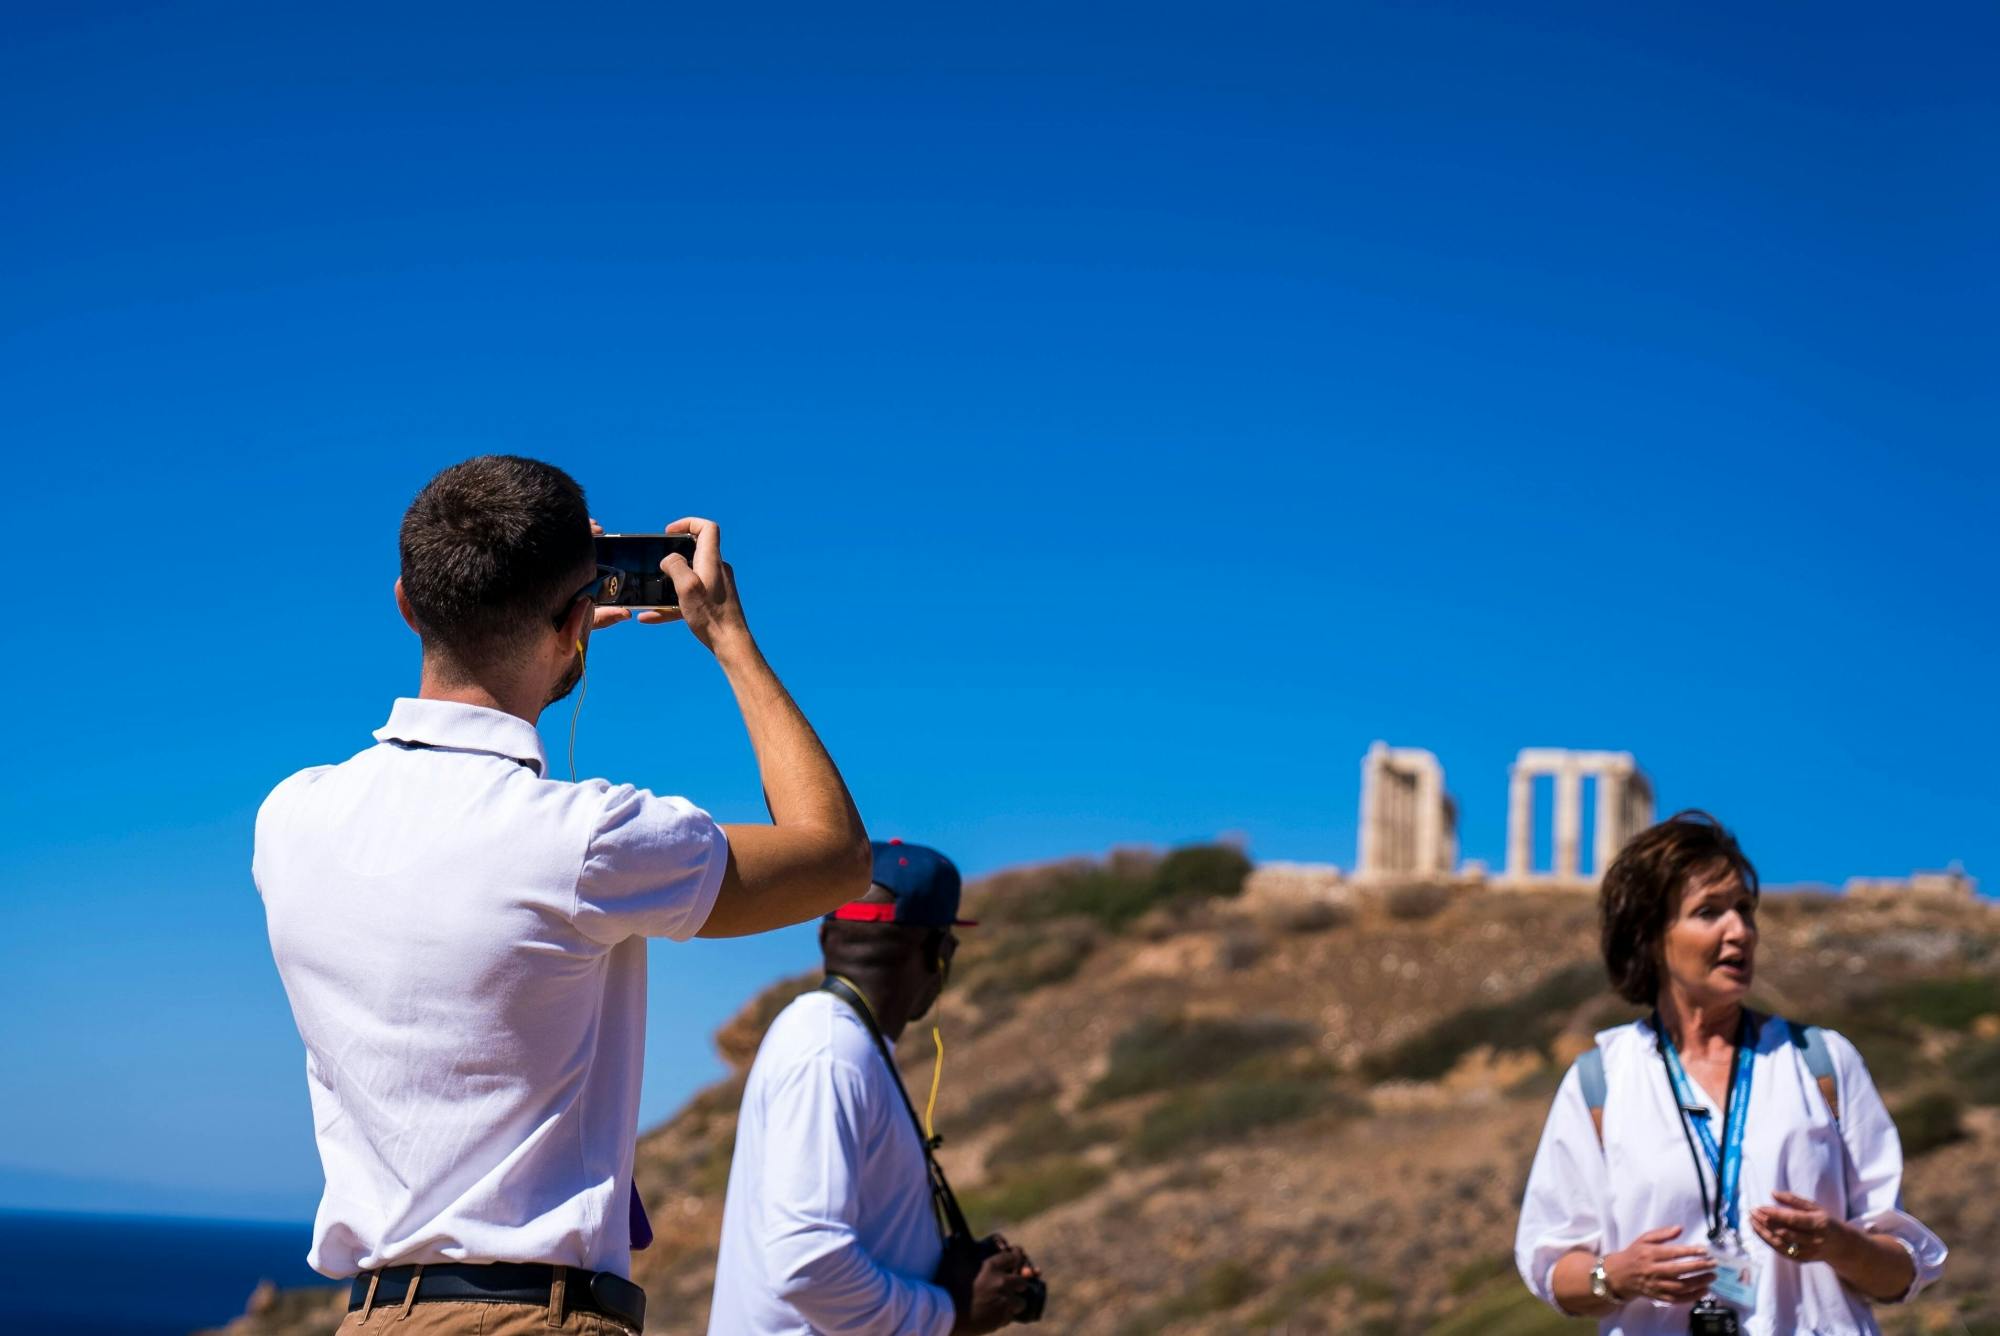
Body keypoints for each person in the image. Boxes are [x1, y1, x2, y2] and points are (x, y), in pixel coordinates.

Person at [254, 456, 871, 1335]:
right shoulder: (586, 840)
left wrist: (551, 632)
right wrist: (727, 636)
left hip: (375, 1316)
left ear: (405, 602)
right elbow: (837, 857)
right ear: (579, 616)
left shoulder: (291, 818)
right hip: (531, 1319)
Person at [1515, 811, 1947, 1334]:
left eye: (1745, 910)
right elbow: (1552, 1269)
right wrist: (1619, 1275)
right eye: (1709, 912)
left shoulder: (1823, 1062)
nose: (1739, 931)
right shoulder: (1599, 1082)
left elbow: (1901, 1272)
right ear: (1650, 935)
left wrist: (1839, 1244)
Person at [708, 840, 1040, 1336]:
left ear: (825, 938)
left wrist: (951, 1277)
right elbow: (808, 1263)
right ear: (940, 954)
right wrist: (949, 1313)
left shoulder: (836, 1042)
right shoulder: (830, 1050)